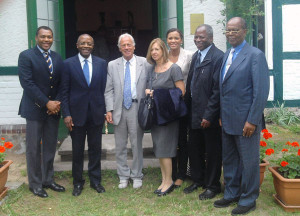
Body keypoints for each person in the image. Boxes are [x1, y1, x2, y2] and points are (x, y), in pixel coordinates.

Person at [214, 17, 269, 215]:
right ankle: (231, 193)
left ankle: (248, 198)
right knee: (229, 160)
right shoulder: (227, 54)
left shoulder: (255, 55)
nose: (231, 34)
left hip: (246, 121)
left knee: (249, 162)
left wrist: (252, 120)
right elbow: (224, 89)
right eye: (228, 30)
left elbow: (261, 91)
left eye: (235, 30)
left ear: (244, 31)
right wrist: (221, 114)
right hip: (227, 119)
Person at [18, 26, 65, 198]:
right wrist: (47, 103)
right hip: (35, 110)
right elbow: (27, 83)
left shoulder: (57, 57)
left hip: (53, 111)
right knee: (33, 149)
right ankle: (35, 184)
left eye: (49, 37)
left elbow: (61, 83)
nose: (46, 40)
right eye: (43, 37)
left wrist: (56, 103)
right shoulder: (26, 56)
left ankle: (48, 180)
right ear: (37, 38)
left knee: (50, 147)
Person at [61, 34, 107, 196]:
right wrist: (66, 114)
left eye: (89, 43)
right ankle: (78, 182)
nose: (86, 46)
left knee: (95, 149)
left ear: (93, 46)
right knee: (77, 150)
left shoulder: (102, 64)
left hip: (96, 113)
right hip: (76, 115)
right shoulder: (68, 64)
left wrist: (105, 110)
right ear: (77, 45)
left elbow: (104, 90)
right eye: (83, 43)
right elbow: (64, 92)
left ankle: (96, 181)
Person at [104, 33, 150, 189]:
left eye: (129, 44)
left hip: (137, 108)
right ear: (119, 48)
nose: (126, 47)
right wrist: (109, 109)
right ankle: (123, 175)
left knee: (137, 144)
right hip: (119, 109)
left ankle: (137, 174)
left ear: (134, 46)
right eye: (123, 45)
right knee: (120, 145)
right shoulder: (112, 65)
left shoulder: (145, 63)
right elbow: (108, 90)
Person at [184, 24, 223, 200]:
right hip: (194, 112)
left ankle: (212, 185)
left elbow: (217, 91)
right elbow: (191, 83)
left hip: (209, 116)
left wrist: (209, 115)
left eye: (202, 37)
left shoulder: (218, 57)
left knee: (212, 151)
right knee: (195, 148)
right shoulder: (196, 56)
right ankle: (198, 180)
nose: (198, 40)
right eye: (196, 37)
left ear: (211, 38)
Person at [145, 38, 185, 196]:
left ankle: (169, 182)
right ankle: (164, 179)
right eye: (152, 50)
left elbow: (181, 91)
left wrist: (157, 94)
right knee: (159, 149)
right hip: (156, 115)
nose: (154, 52)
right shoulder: (152, 69)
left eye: (157, 49)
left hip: (168, 116)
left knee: (166, 149)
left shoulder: (174, 68)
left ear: (163, 50)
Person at [166, 28, 193, 188]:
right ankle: (171, 172)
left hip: (183, 103)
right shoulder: (163, 56)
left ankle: (182, 173)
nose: (173, 41)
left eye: (176, 38)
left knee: (182, 139)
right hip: (167, 104)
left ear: (181, 40)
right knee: (170, 139)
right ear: (167, 40)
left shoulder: (189, 56)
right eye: (170, 38)